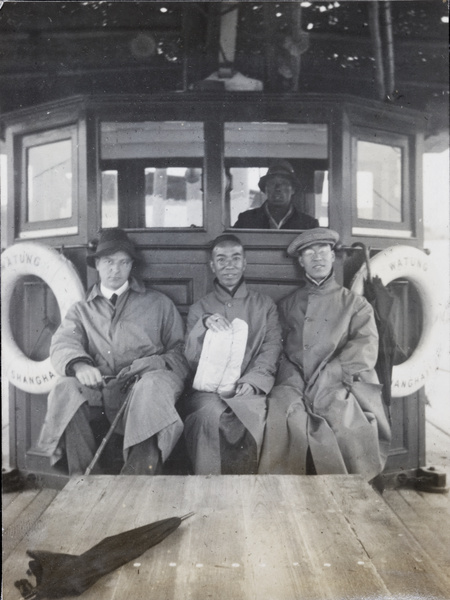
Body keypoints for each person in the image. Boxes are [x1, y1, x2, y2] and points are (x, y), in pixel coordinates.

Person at [36, 228, 190, 475]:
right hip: (103, 387)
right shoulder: (81, 310)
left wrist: (154, 364)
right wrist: (80, 365)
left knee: (150, 389)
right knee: (66, 389)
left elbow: (181, 353)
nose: (115, 270)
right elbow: (63, 343)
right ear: (97, 264)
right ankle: (84, 483)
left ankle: (137, 483)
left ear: (131, 266)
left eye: (123, 263)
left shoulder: (159, 303)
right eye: (108, 262)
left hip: (148, 384)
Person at [258, 228, 391, 480]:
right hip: (294, 382)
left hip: (340, 381)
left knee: (345, 423)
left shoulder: (355, 304)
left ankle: (349, 493)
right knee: (285, 419)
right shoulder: (287, 304)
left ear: (332, 256)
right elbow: (278, 348)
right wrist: (293, 377)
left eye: (322, 251)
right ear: (301, 262)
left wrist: (332, 373)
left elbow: (365, 347)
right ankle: (283, 494)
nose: (317, 257)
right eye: (309, 253)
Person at [183, 234, 282, 474]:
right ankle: (207, 491)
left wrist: (254, 382)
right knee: (207, 417)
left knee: (253, 419)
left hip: (249, 388)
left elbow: (271, 348)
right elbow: (190, 357)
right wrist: (204, 326)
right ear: (212, 265)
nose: (229, 265)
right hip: (209, 391)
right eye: (221, 259)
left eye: (236, 258)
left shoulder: (264, 305)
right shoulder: (200, 309)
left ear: (245, 263)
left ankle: (250, 495)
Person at [233, 160, 319, 230]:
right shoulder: (245, 220)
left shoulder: (309, 225)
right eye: (272, 183)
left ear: (293, 190)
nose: (278, 188)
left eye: (284, 183)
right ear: (265, 189)